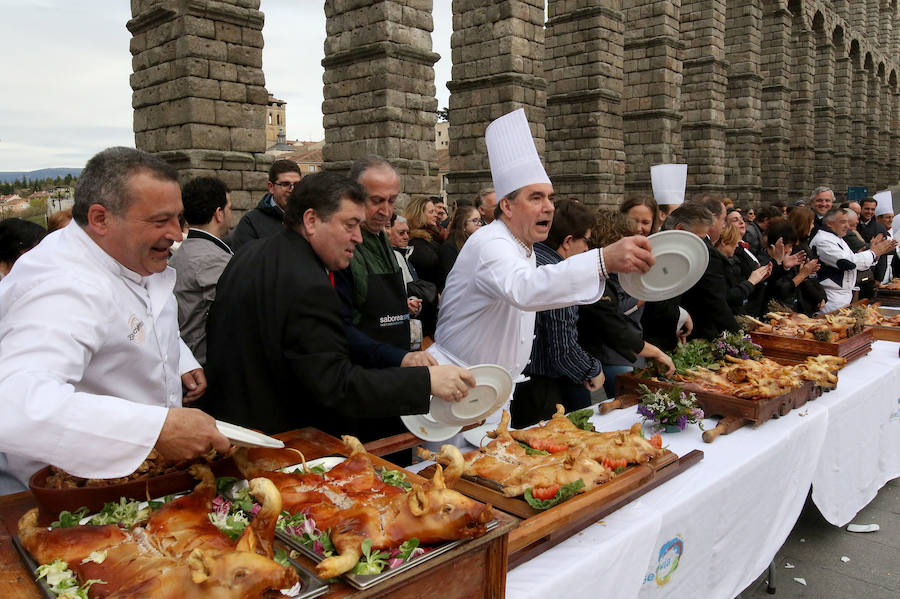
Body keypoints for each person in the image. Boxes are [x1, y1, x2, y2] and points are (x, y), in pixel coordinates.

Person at [0, 147, 229, 494]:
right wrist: (157, 429)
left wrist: (179, 357)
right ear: (101, 219)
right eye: (159, 221)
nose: (178, 234)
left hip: (137, 482)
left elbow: (136, 316)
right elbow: (18, 405)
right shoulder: (63, 286)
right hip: (71, 497)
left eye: (178, 218)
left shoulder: (129, 254)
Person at [204, 171, 474, 441]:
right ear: (311, 220)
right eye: (349, 225)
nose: (358, 237)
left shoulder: (249, 253)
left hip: (234, 426)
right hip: (283, 440)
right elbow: (335, 385)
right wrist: (426, 382)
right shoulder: (310, 284)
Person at [428, 108, 654, 394]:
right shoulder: (490, 243)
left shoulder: (523, 246)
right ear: (507, 206)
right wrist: (603, 259)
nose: (548, 206)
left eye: (550, 197)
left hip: (491, 388)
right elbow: (525, 289)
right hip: (455, 384)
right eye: (536, 197)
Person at [510, 199, 604, 428]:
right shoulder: (560, 276)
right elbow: (564, 352)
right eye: (586, 242)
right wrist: (593, 370)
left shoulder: (525, 259)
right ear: (568, 241)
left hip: (513, 381)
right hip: (539, 390)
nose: (587, 250)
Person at [335, 155, 434, 366]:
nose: (386, 211)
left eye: (392, 200)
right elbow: (341, 330)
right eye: (376, 201)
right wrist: (399, 358)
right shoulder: (341, 251)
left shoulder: (382, 239)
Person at [578, 211, 675, 399]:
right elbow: (613, 321)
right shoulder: (597, 277)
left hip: (624, 350)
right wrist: (654, 352)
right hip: (611, 353)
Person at [168, 176, 233, 367]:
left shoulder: (184, 253)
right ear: (219, 213)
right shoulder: (212, 260)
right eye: (229, 208)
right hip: (205, 368)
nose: (231, 214)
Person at [810, 208, 896, 311]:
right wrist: (873, 253)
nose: (847, 226)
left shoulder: (837, 238)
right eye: (842, 222)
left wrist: (875, 253)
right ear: (829, 223)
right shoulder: (823, 240)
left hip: (843, 295)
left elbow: (856, 260)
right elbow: (847, 263)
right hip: (830, 297)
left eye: (847, 222)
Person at [680, 195, 740, 339]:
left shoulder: (701, 247)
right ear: (712, 219)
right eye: (723, 219)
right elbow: (716, 303)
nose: (724, 225)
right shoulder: (707, 253)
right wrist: (740, 338)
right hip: (697, 331)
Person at [228, 159, 302, 252]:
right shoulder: (251, 222)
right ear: (271, 187)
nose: (292, 189)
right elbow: (244, 261)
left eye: (297, 184)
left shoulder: (309, 218)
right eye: (285, 184)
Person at [715, 222, 772, 315]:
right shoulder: (718, 264)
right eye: (736, 242)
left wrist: (757, 280)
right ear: (724, 242)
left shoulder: (730, 261)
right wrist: (750, 282)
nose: (737, 246)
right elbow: (728, 297)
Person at [437, 204, 482, 291]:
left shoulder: (474, 242)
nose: (479, 224)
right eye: (475, 220)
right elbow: (451, 277)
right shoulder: (450, 247)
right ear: (463, 225)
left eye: (480, 220)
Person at [406, 196, 444, 290]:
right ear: (419, 214)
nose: (436, 215)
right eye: (431, 212)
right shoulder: (416, 241)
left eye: (435, 211)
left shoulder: (435, 234)